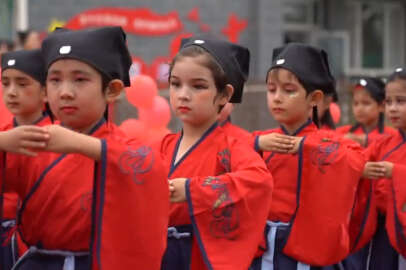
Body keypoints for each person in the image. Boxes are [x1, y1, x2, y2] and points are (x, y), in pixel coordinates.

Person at [0, 26, 169, 270]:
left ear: (112, 90)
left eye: (80, 80)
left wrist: (84, 145)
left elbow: (152, 171)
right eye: (55, 80)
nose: (65, 92)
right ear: (45, 91)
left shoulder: (123, 147)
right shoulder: (33, 140)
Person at [160, 35, 273, 270]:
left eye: (198, 86)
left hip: (202, 256)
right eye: (175, 83)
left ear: (224, 95)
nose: (183, 94)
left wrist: (192, 191)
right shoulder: (163, 145)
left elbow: (258, 181)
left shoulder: (234, 146)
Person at [251, 43, 366, 269]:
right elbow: (224, 152)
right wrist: (255, 144)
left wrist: (306, 145)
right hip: (263, 245)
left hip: (308, 245)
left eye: (289, 90)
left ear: (314, 98)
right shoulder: (260, 140)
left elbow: (354, 160)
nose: (277, 98)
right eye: (272, 89)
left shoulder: (329, 142)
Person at [0, 49, 51, 269]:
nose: (11, 92)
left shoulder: (59, 137)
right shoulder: (2, 134)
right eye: (5, 83)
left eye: (22, 84)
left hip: (38, 247)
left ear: (45, 91)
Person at [352, 68, 406, 270]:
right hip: (381, 230)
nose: (392, 108)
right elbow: (355, 161)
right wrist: (361, 169)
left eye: (400, 102)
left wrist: (396, 172)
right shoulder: (384, 144)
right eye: (389, 102)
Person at [337, 77, 396, 147]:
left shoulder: (392, 135)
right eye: (356, 103)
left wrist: (366, 140)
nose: (359, 108)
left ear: (382, 106)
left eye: (366, 103)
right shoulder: (342, 132)